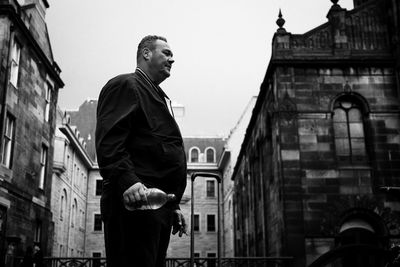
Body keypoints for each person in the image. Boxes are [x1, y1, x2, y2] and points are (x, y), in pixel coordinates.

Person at [95, 35, 187, 267]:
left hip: (157, 207)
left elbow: (157, 151)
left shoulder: (154, 94)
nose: (172, 59)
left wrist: (171, 205)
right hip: (134, 204)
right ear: (146, 53)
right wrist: (128, 181)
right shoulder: (126, 85)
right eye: (166, 52)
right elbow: (110, 142)